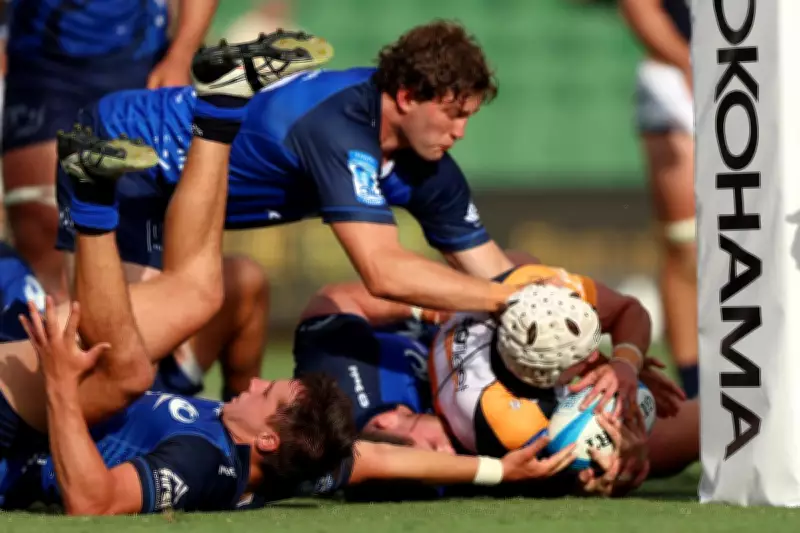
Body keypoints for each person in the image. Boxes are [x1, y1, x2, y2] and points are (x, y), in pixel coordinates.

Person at [0, 104, 357, 514]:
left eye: (268, 394)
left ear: (267, 440)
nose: (257, 383)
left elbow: (93, 502)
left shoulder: (204, 464)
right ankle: (217, 116)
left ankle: (95, 196)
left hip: (15, 427)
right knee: (204, 294)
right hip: (27, 385)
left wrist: (61, 389)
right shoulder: (300, 454)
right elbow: (374, 460)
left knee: (131, 368)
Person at [59, 21, 524, 330]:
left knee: (212, 305)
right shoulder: (339, 125)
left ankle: (233, 453)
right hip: (130, 159)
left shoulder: (425, 159)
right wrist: (508, 302)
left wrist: (555, 306)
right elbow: (383, 270)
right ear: (405, 97)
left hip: (181, 191)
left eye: (469, 118)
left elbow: (495, 273)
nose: (460, 132)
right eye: (452, 115)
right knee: (113, 339)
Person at [293, 262, 695, 499]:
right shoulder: (482, 454)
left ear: (387, 422)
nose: (451, 456)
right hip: (534, 397)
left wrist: (442, 309)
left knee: (510, 266)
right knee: (698, 427)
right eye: (446, 465)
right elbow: (561, 472)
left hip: (478, 317)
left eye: (433, 447)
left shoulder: (342, 379)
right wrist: (604, 472)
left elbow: (334, 298)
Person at [2, 0, 219, 303]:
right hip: (42, 63)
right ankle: (54, 336)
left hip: (136, 57)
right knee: (45, 226)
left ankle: (140, 338)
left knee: (140, 230)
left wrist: (181, 54)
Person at [620, 0, 698, 398]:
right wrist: (691, 65)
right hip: (677, 75)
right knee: (688, 244)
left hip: (769, 75)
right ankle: (694, 390)